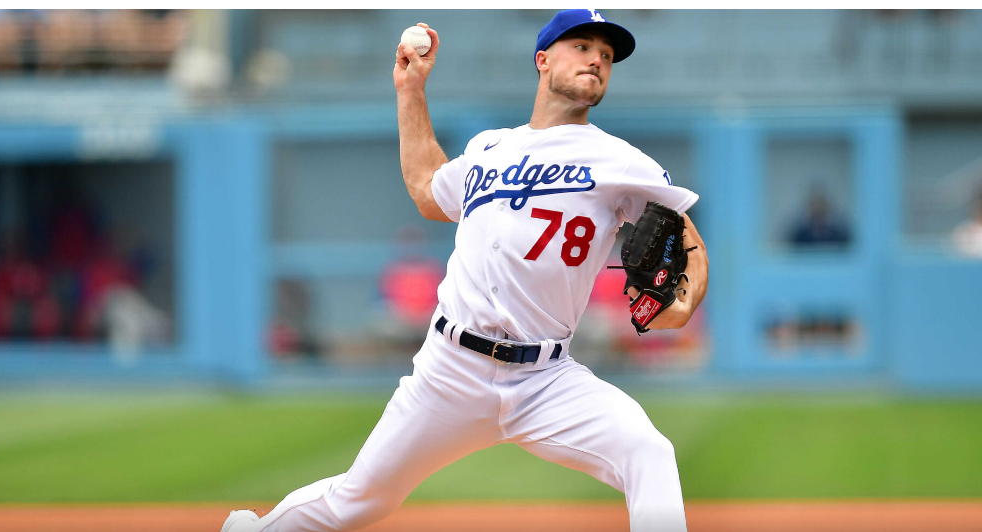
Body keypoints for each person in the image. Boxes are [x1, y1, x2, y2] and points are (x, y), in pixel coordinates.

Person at [222, 10, 708, 532]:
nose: (597, 59)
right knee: (360, 500)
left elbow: (688, 240)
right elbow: (429, 189)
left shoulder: (619, 160)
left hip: (546, 378)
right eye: (583, 46)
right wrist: (411, 90)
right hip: (450, 369)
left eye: (607, 55)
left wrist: (685, 301)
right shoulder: (488, 148)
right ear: (543, 60)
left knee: (648, 452)